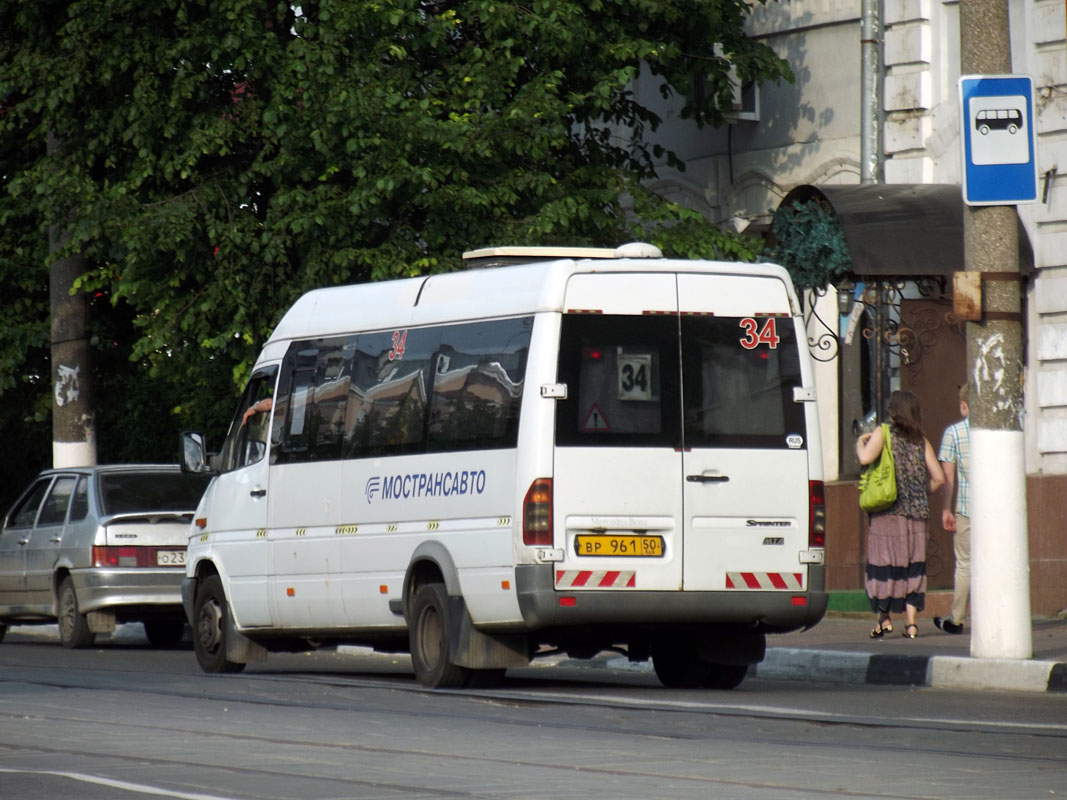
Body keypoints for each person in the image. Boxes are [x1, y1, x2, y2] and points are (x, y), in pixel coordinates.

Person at [856, 390, 945, 640]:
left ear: (893, 413)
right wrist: (918, 492)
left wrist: (860, 441)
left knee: (884, 565)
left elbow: (865, 457)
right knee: (912, 568)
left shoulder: (883, 433)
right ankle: (912, 625)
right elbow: (939, 478)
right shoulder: (922, 440)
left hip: (888, 513)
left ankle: (884, 620)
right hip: (917, 515)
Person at [934, 384, 970, 635]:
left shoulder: (954, 432)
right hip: (999, 513)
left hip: (967, 509)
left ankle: (956, 619)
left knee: (966, 564)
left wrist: (946, 509)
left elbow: (948, 477)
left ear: (964, 405)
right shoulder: (1003, 428)